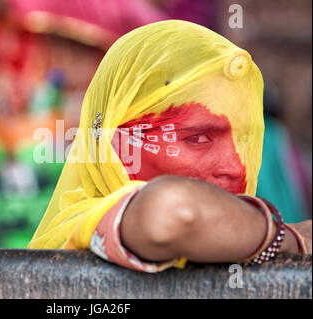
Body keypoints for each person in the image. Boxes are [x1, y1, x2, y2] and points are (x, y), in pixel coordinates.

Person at [27, 20, 311, 272]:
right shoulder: (83, 225)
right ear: (117, 146)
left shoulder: (229, 252)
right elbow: (173, 211)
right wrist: (288, 238)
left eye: (243, 140)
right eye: (197, 138)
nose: (236, 167)